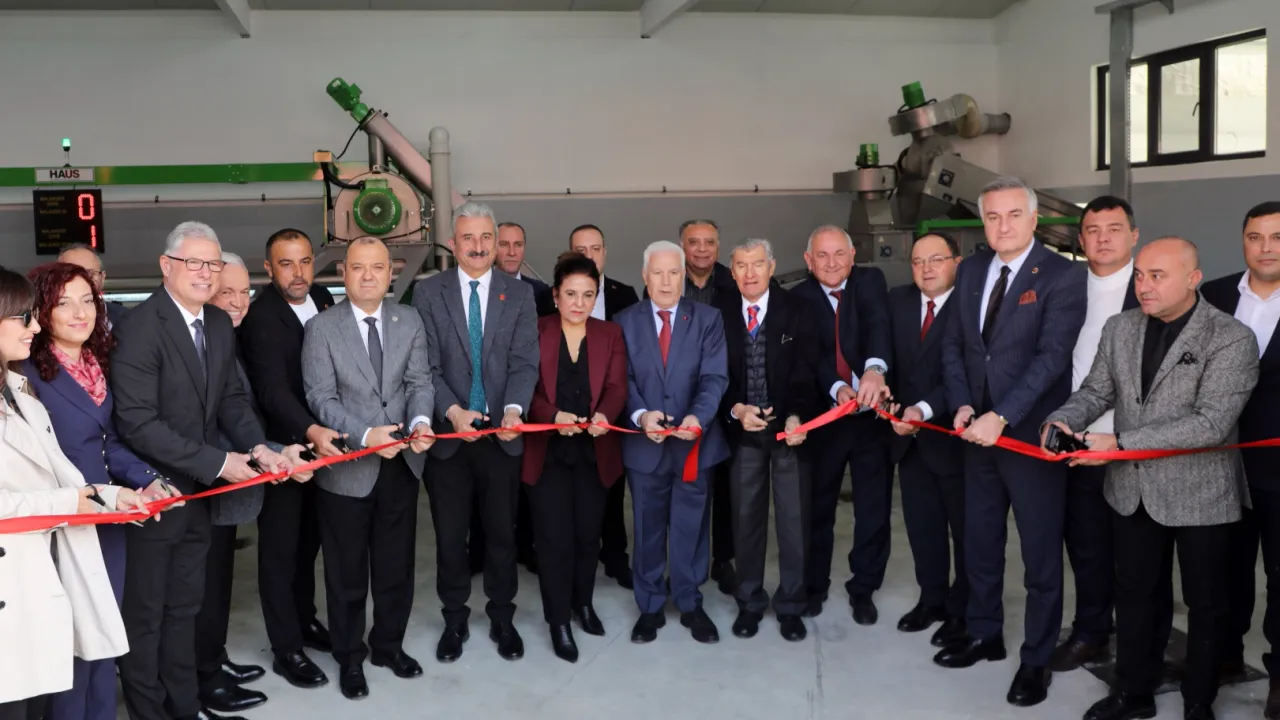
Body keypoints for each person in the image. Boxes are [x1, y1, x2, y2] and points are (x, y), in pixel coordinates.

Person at [1043, 237, 1258, 720]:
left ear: (1193, 279)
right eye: (1140, 275)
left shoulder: (1230, 337)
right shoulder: (1121, 328)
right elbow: (1096, 390)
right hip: (1132, 490)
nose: (1144, 286)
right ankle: (1133, 692)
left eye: (1157, 276)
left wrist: (1118, 444)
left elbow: (1210, 424)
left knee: (1206, 604)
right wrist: (1061, 419)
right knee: (1136, 597)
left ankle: (1198, 700)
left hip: (1201, 493)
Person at [110, 221, 294, 720]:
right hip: (152, 497)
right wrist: (218, 463)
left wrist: (259, 448)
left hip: (199, 499)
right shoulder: (139, 327)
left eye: (212, 263)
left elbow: (231, 399)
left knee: (184, 609)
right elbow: (137, 423)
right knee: (146, 616)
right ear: (166, 266)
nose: (205, 272)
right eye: (193, 262)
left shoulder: (215, 323)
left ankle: (184, 706)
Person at [934, 176, 1086, 708]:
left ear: (1034, 219)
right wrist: (963, 404)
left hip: (1027, 436)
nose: (1003, 226)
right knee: (980, 540)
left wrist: (1002, 415)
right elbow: (956, 345)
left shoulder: (1062, 275)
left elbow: (1052, 358)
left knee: (1040, 554)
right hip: (976, 433)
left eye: (1014, 215)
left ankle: (1036, 660)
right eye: (993, 217)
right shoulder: (971, 270)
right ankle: (985, 633)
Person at [4, 265, 163, 720]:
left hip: (101, 513)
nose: (80, 313)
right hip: (53, 524)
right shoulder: (27, 375)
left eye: (88, 300)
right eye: (63, 303)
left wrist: (141, 480)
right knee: (67, 647)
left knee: (102, 636)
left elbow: (110, 441)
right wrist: (81, 500)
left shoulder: (100, 363)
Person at [303, 236, 435, 699]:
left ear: (390, 272)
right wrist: (364, 435)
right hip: (347, 469)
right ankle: (349, 657)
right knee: (346, 573)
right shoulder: (321, 328)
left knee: (396, 566)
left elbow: (419, 382)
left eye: (377, 267)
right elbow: (321, 397)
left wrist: (420, 422)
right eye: (357, 267)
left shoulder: (409, 320)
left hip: (401, 465)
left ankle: (388, 646)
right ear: (343, 272)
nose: (367, 276)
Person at [413, 202, 539, 663]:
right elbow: (425, 365)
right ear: (453, 243)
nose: (479, 246)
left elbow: (525, 362)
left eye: (487, 237)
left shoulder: (518, 294)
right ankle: (454, 619)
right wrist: (452, 411)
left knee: (502, 535)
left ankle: (503, 616)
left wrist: (513, 411)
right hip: (450, 439)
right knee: (451, 538)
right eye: (468, 237)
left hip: (501, 437)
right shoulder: (429, 292)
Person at [195, 253, 315, 714]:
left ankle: (212, 660)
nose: (237, 301)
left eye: (243, 291)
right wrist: (272, 452)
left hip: (248, 472)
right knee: (205, 586)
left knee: (219, 580)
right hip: (212, 480)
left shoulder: (232, 335)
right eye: (225, 291)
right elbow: (221, 421)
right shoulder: (202, 341)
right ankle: (203, 675)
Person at [614, 240, 729, 644]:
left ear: (684, 276)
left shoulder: (708, 319)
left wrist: (698, 417)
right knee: (646, 526)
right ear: (644, 277)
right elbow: (622, 379)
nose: (666, 281)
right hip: (644, 446)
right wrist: (641, 415)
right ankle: (649, 605)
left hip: (694, 443)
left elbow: (714, 377)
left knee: (691, 526)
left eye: (674, 272)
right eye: (658, 273)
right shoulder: (624, 321)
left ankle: (689, 600)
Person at [237, 228, 337, 690]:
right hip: (281, 452)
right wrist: (311, 431)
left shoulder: (323, 298)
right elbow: (272, 391)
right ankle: (285, 648)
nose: (298, 273)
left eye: (304, 261)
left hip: (323, 450)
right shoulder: (260, 317)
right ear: (268, 268)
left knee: (309, 544)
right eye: (286, 263)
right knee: (280, 553)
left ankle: (305, 619)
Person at [520, 252, 628, 663]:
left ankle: (583, 603)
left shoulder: (610, 334)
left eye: (587, 294)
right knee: (554, 540)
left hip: (594, 452)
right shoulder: (536, 330)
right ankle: (558, 620)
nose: (579, 303)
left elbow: (617, 387)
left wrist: (606, 416)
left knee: (587, 536)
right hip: (548, 453)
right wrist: (552, 415)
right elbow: (525, 388)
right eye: (571, 294)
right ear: (555, 295)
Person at [713, 238, 818, 642]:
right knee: (746, 522)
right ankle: (750, 602)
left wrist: (796, 415)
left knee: (793, 522)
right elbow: (714, 374)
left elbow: (808, 371)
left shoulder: (798, 309)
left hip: (789, 432)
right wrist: (736, 409)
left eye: (757, 264)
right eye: (741, 265)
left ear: (772, 267)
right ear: (732, 271)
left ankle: (791, 604)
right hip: (743, 433)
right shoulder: (719, 312)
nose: (750, 273)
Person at [790, 224, 893, 622]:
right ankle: (814, 586)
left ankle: (863, 589)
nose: (831, 263)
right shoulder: (798, 297)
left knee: (873, 509)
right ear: (808, 260)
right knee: (817, 508)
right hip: (825, 416)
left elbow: (878, 323)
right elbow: (812, 353)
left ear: (852, 256)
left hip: (871, 417)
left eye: (839, 254)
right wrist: (836, 388)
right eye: (822, 255)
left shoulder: (870, 282)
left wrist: (874, 370)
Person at [1204, 201, 1280, 714]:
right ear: (1243, 241)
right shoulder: (1213, 295)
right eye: (1255, 237)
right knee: (1222, 570)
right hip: (1217, 463)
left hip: (1278, 467)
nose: (1266, 247)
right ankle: (1224, 657)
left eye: (1277, 237)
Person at [885, 232, 968, 647]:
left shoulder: (971, 304)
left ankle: (963, 609)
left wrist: (922, 409)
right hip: (908, 438)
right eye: (918, 262)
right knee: (923, 527)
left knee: (966, 531)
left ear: (957, 262)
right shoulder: (898, 301)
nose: (926, 269)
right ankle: (931, 599)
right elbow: (886, 357)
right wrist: (887, 399)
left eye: (936, 259)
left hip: (954, 436)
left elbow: (967, 372)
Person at [568, 223, 639, 589]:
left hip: (611, 412)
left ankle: (614, 555)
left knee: (612, 486)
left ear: (605, 253)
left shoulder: (624, 295)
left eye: (595, 248)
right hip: (566, 416)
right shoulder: (550, 300)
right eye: (581, 250)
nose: (589, 256)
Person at [676, 218, 738, 595]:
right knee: (686, 487)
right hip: (680, 402)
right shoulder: (666, 281)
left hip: (728, 399)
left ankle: (723, 559)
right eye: (693, 242)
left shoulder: (735, 284)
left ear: (718, 246)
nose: (701, 249)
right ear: (681, 246)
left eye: (709, 242)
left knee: (727, 486)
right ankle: (685, 562)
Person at [496, 220, 546, 574]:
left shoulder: (541, 293)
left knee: (526, 481)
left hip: (528, 399)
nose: (512, 251)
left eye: (518, 244)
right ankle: (482, 550)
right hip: (484, 403)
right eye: (504, 244)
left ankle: (525, 547)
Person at [56, 244, 128, 329]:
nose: (82, 280)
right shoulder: (44, 320)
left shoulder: (128, 319)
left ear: (102, 278)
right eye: (71, 274)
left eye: (89, 273)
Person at [497, 221, 554, 317]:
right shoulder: (478, 288)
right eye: (504, 244)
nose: (512, 253)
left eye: (518, 245)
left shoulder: (541, 291)